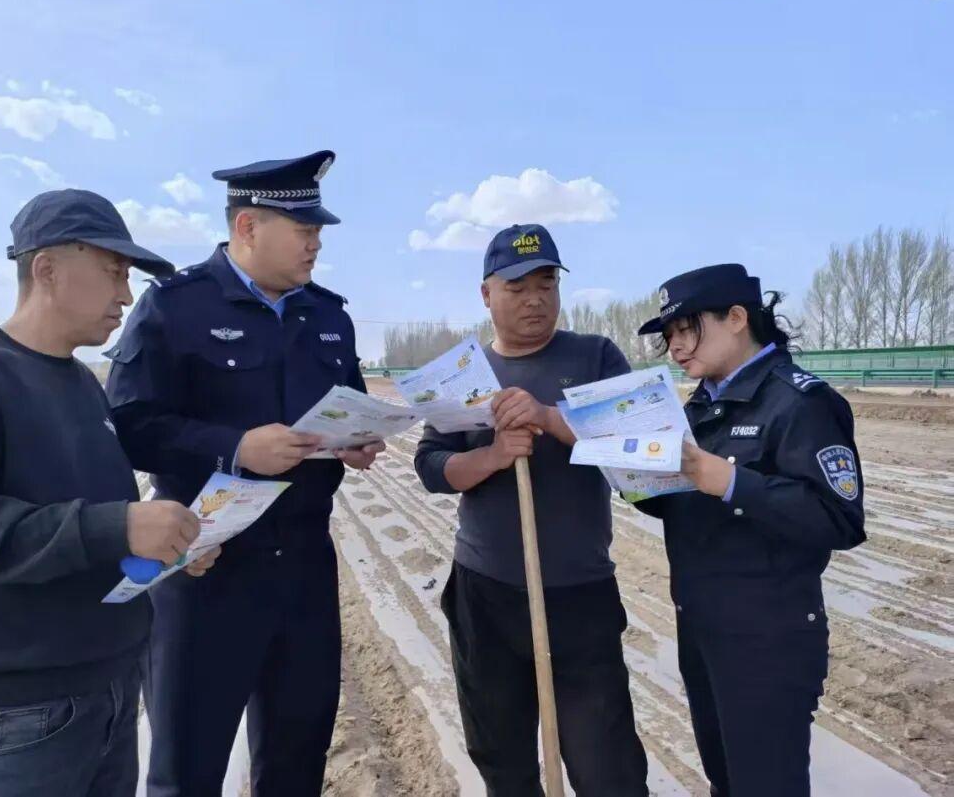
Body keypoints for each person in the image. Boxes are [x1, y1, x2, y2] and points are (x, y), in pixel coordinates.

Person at [0, 189, 219, 797]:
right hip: (19, 718)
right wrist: (121, 525)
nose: (126, 295)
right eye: (114, 272)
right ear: (46, 269)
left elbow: (92, 532)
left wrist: (163, 550)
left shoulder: (82, 384)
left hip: (112, 691)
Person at [105, 150, 381, 796]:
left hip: (306, 569)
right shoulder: (174, 308)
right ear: (248, 227)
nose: (316, 243)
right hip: (207, 569)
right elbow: (131, 427)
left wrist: (357, 440)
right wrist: (234, 448)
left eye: (317, 231)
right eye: (304, 230)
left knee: (296, 764)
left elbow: (353, 401)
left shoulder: (329, 316)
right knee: (187, 770)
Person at [414, 224, 649, 797]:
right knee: (503, 759)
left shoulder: (594, 355)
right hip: (486, 593)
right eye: (517, 287)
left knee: (606, 765)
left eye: (546, 284)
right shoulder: (462, 374)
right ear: (486, 294)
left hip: (578, 591)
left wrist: (548, 418)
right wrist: (493, 456)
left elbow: (640, 444)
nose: (535, 299)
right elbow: (431, 466)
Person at [631, 263, 866, 797]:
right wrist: (637, 482)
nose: (676, 347)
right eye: (669, 336)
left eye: (687, 329)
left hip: (768, 638)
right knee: (726, 779)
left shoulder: (800, 402)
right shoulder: (699, 406)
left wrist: (732, 481)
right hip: (702, 626)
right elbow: (689, 507)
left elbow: (839, 518)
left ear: (737, 318)